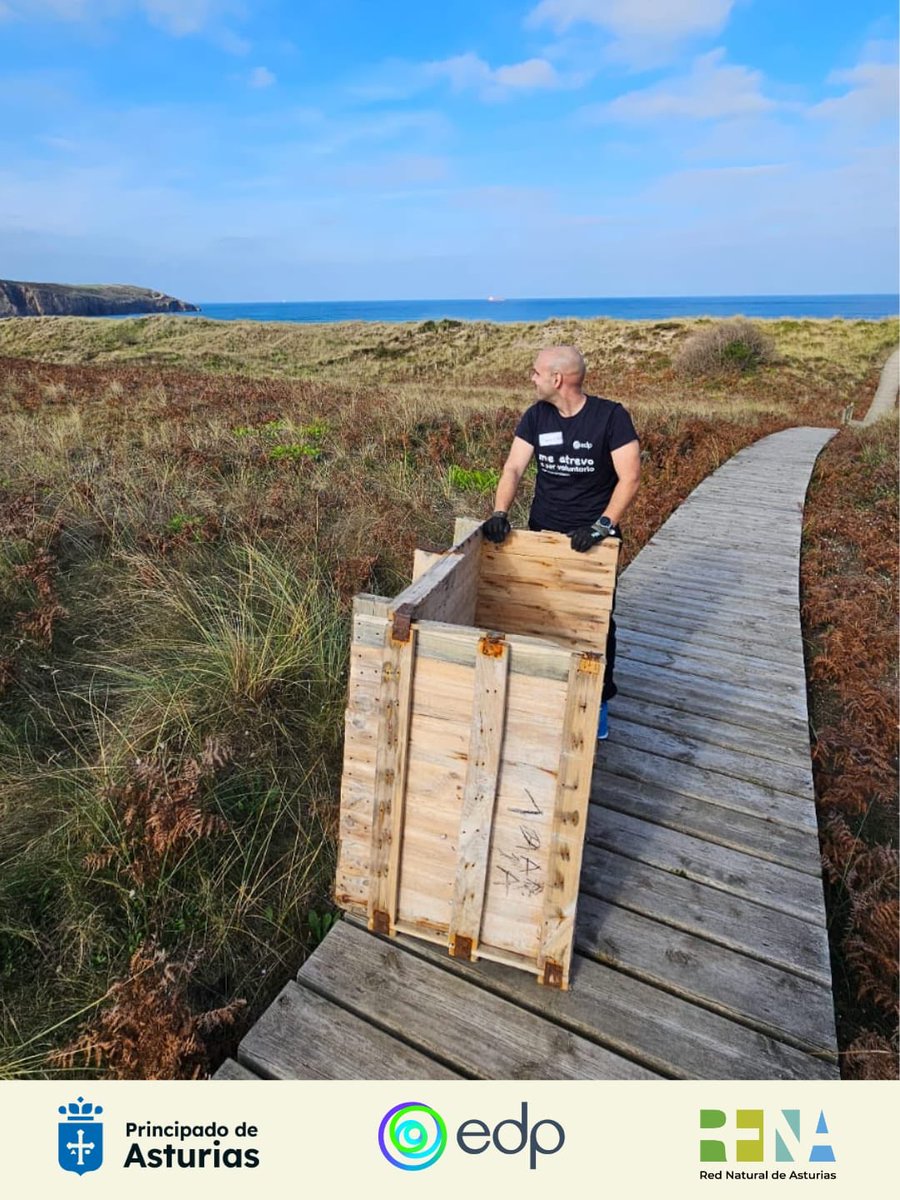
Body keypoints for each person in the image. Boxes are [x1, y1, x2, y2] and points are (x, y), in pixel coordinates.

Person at [482, 345, 640, 739]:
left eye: (535, 372)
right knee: (542, 612)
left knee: (596, 623)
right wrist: (500, 513)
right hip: (543, 534)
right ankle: (548, 694)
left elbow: (630, 478)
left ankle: (598, 704)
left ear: (557, 379)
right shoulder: (536, 417)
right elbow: (514, 466)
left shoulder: (611, 417)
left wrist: (603, 526)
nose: (531, 378)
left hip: (594, 540)